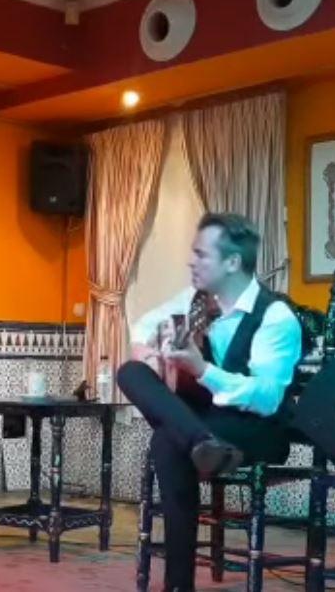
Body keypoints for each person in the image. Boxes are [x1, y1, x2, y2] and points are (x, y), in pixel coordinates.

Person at [118, 212, 302, 592]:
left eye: (201, 254)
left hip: (258, 427)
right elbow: (144, 325)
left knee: (167, 441)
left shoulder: (275, 316)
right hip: (208, 421)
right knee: (130, 372)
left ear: (232, 262)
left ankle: (178, 584)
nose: (191, 262)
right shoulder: (196, 300)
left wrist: (202, 370)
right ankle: (202, 443)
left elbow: (267, 399)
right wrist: (150, 355)